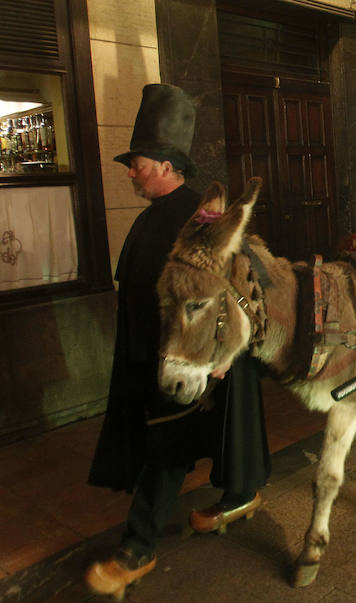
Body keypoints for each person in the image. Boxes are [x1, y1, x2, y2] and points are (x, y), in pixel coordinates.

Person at [85, 85, 271, 598]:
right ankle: (240, 492)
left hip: (194, 358)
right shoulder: (149, 218)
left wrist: (223, 356)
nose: (131, 172)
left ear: (166, 165)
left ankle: (137, 549)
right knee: (177, 442)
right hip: (152, 356)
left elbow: (239, 281)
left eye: (137, 163)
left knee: (165, 450)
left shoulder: (206, 218)